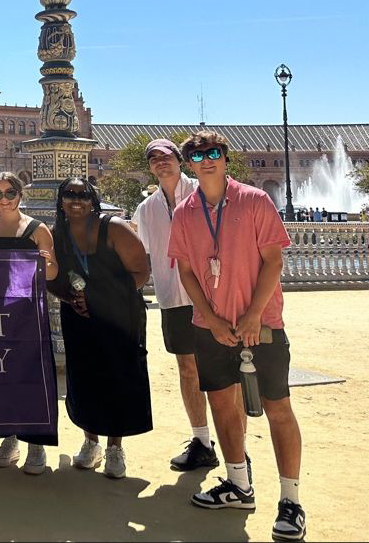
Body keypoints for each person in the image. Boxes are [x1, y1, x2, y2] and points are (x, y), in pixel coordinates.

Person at [169, 130, 307, 542]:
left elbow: (273, 260)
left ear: (226, 159)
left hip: (261, 326)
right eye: (197, 155)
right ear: (189, 164)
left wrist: (251, 316)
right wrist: (209, 317)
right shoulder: (185, 212)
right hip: (211, 328)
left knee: (277, 407)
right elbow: (188, 271)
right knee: (222, 406)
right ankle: (238, 485)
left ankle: (291, 500)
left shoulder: (254, 200)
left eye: (213, 153)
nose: (206, 160)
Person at [49, 177, 152, 482]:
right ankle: (90, 441)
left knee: (118, 375)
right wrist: (70, 297)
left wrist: (103, 299)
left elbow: (140, 272)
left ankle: (115, 448)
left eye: (83, 194)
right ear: (61, 200)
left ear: (92, 199)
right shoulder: (60, 233)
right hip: (80, 315)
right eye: (69, 194)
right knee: (83, 376)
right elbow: (53, 275)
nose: (76, 200)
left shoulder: (114, 228)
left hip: (118, 316)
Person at [130, 138, 222, 473]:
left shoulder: (205, 192)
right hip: (173, 298)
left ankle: (234, 444)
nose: (160, 163)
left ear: (179, 160)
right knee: (187, 368)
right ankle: (201, 440)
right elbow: (139, 256)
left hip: (214, 294)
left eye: (166, 157)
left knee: (222, 371)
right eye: (154, 159)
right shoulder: (147, 209)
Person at [0, 172, 58, 474]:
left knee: (31, 377)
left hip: (27, 315)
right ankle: (10, 437)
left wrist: (44, 262)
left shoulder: (37, 230)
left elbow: (53, 273)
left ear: (20, 194)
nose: (3, 200)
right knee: (3, 376)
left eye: (9, 193)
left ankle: (36, 444)